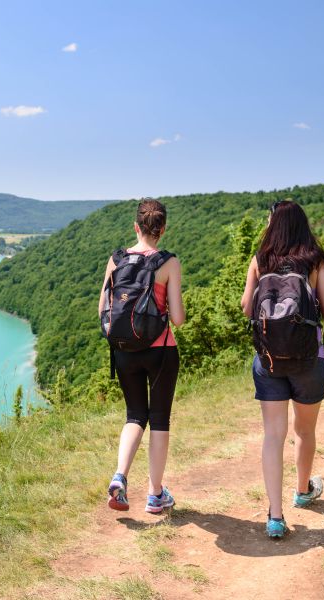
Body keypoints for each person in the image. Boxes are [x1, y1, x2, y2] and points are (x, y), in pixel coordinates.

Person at [241, 199, 324, 538]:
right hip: (310, 360)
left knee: (273, 436)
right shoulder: (315, 259)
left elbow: (245, 307)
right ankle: (302, 491)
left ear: (274, 224)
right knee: (305, 431)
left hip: (268, 359)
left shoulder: (260, 258)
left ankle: (275, 516)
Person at [99, 198, 185, 513]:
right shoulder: (169, 262)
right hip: (161, 350)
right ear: (162, 229)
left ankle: (120, 477)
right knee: (159, 419)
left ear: (136, 227)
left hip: (123, 351)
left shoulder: (116, 259)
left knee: (135, 415)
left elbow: (102, 310)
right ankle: (155, 494)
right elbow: (177, 318)